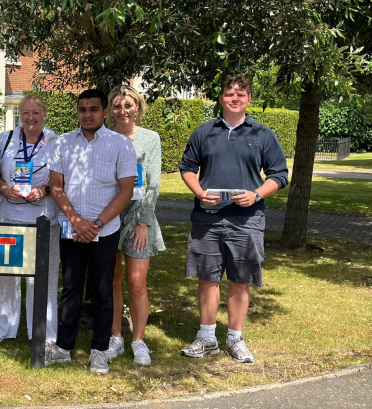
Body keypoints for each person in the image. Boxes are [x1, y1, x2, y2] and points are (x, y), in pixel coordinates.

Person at [178, 74, 288, 363]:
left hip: (247, 219)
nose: (235, 98)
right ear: (221, 98)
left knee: (242, 279)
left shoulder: (263, 135)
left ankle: (235, 340)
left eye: (241, 94)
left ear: (249, 99)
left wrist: (256, 195)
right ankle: (207, 338)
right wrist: (200, 192)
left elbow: (279, 175)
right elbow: (187, 168)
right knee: (207, 277)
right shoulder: (204, 132)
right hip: (207, 218)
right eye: (229, 93)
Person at [45, 88, 136, 374]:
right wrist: (75, 219)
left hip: (105, 231)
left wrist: (95, 224)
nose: (87, 115)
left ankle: (98, 350)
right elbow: (56, 187)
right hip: (72, 229)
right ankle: (63, 346)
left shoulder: (121, 144)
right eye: (82, 109)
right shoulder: (62, 143)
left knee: (103, 290)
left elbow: (125, 191)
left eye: (93, 109)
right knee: (71, 289)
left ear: (104, 112)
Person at [0, 94, 60, 348]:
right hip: (8, 217)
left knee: (42, 277)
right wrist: (3, 190)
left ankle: (44, 333)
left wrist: (45, 190)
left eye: (36, 112)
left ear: (44, 114)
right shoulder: (5, 139)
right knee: (5, 273)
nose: (30, 117)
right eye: (26, 112)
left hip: (43, 219)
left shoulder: (54, 142)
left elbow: (63, 178)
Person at [104, 85, 165, 366]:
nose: (123, 111)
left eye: (128, 105)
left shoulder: (150, 139)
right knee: (112, 281)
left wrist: (143, 221)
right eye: (117, 106)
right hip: (108, 215)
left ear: (138, 107)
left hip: (139, 216)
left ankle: (138, 340)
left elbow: (153, 183)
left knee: (137, 283)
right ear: (110, 110)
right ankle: (116, 336)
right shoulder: (103, 138)